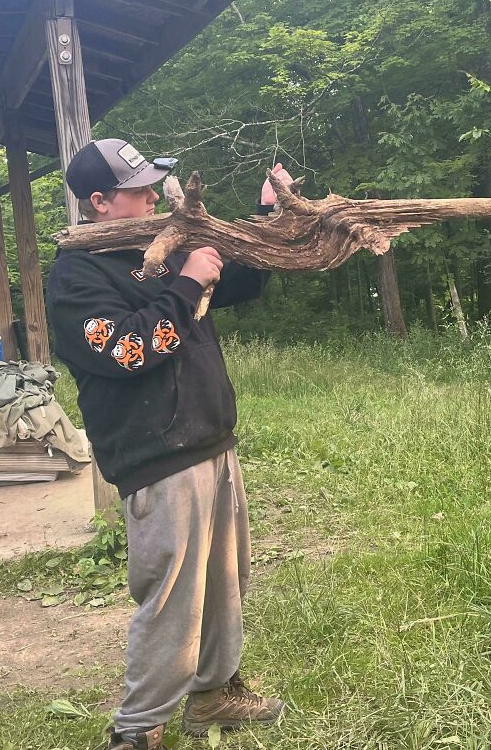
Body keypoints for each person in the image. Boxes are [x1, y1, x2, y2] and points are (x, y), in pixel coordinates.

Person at [46, 139, 293, 750]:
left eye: (154, 186)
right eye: (139, 190)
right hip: (157, 456)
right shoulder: (76, 276)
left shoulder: (156, 249)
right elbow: (124, 350)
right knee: (171, 600)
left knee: (225, 581)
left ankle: (213, 695)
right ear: (99, 202)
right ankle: (137, 730)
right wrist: (185, 285)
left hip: (211, 437)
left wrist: (270, 217)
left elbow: (237, 277)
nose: (154, 197)